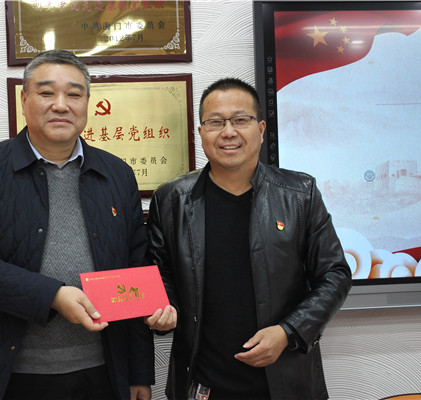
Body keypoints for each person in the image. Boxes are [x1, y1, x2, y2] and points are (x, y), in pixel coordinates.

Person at [0, 50, 157, 400]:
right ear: (24, 101)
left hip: (103, 373)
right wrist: (51, 295)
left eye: (74, 94)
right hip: (10, 376)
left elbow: (135, 269)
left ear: (87, 103)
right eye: (46, 92)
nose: (61, 105)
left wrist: (139, 371)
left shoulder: (117, 174)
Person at [145, 78, 353, 400]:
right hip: (203, 384)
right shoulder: (172, 200)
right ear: (201, 132)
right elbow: (162, 274)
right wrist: (163, 309)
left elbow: (334, 274)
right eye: (216, 122)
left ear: (261, 129)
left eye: (240, 120)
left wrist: (288, 331)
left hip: (286, 382)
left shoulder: (300, 195)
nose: (228, 132)